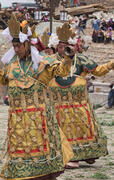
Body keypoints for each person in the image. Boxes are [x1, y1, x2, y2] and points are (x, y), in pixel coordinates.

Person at [0, 14, 75, 180]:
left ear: (27, 44)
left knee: (40, 144)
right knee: (23, 145)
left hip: (39, 114)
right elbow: (4, 80)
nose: (16, 49)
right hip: (18, 115)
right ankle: (44, 175)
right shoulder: (13, 64)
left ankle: (32, 177)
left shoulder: (42, 62)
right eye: (14, 46)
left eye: (19, 45)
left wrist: (67, 58)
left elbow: (62, 72)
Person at [48, 23, 113, 168]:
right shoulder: (50, 60)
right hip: (58, 104)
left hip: (79, 104)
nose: (63, 49)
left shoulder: (81, 59)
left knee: (83, 128)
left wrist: (111, 64)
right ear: (55, 46)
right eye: (60, 46)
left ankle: (88, 153)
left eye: (66, 46)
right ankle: (69, 155)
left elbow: (98, 70)